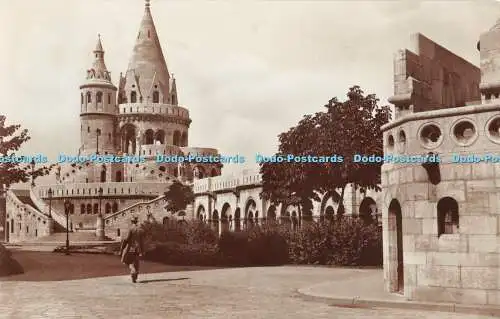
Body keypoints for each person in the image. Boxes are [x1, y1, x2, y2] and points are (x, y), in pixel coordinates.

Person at [119, 216, 144, 283]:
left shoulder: (130, 229)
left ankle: (133, 270)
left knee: (126, 261)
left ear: (131, 221)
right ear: (137, 221)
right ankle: (135, 278)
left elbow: (126, 239)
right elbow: (142, 241)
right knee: (136, 262)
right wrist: (142, 250)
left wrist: (121, 248)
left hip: (130, 248)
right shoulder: (140, 229)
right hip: (138, 249)